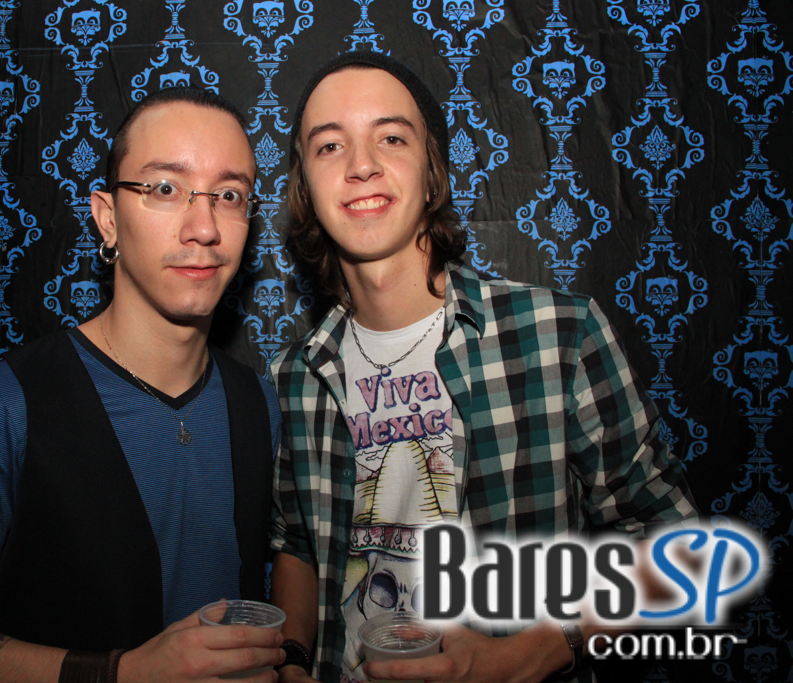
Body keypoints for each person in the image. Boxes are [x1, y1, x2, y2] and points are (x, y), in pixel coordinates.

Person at [268, 51, 698, 683]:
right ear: (305, 187)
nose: (361, 165)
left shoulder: (558, 336)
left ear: (432, 169)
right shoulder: (294, 376)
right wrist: (293, 659)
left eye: (391, 138)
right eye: (330, 146)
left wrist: (540, 649)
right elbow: (298, 546)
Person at [0, 87, 286, 683]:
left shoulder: (259, 403)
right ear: (107, 218)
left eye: (229, 195)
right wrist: (120, 674)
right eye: (165, 188)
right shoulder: (5, 405)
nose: (204, 228)